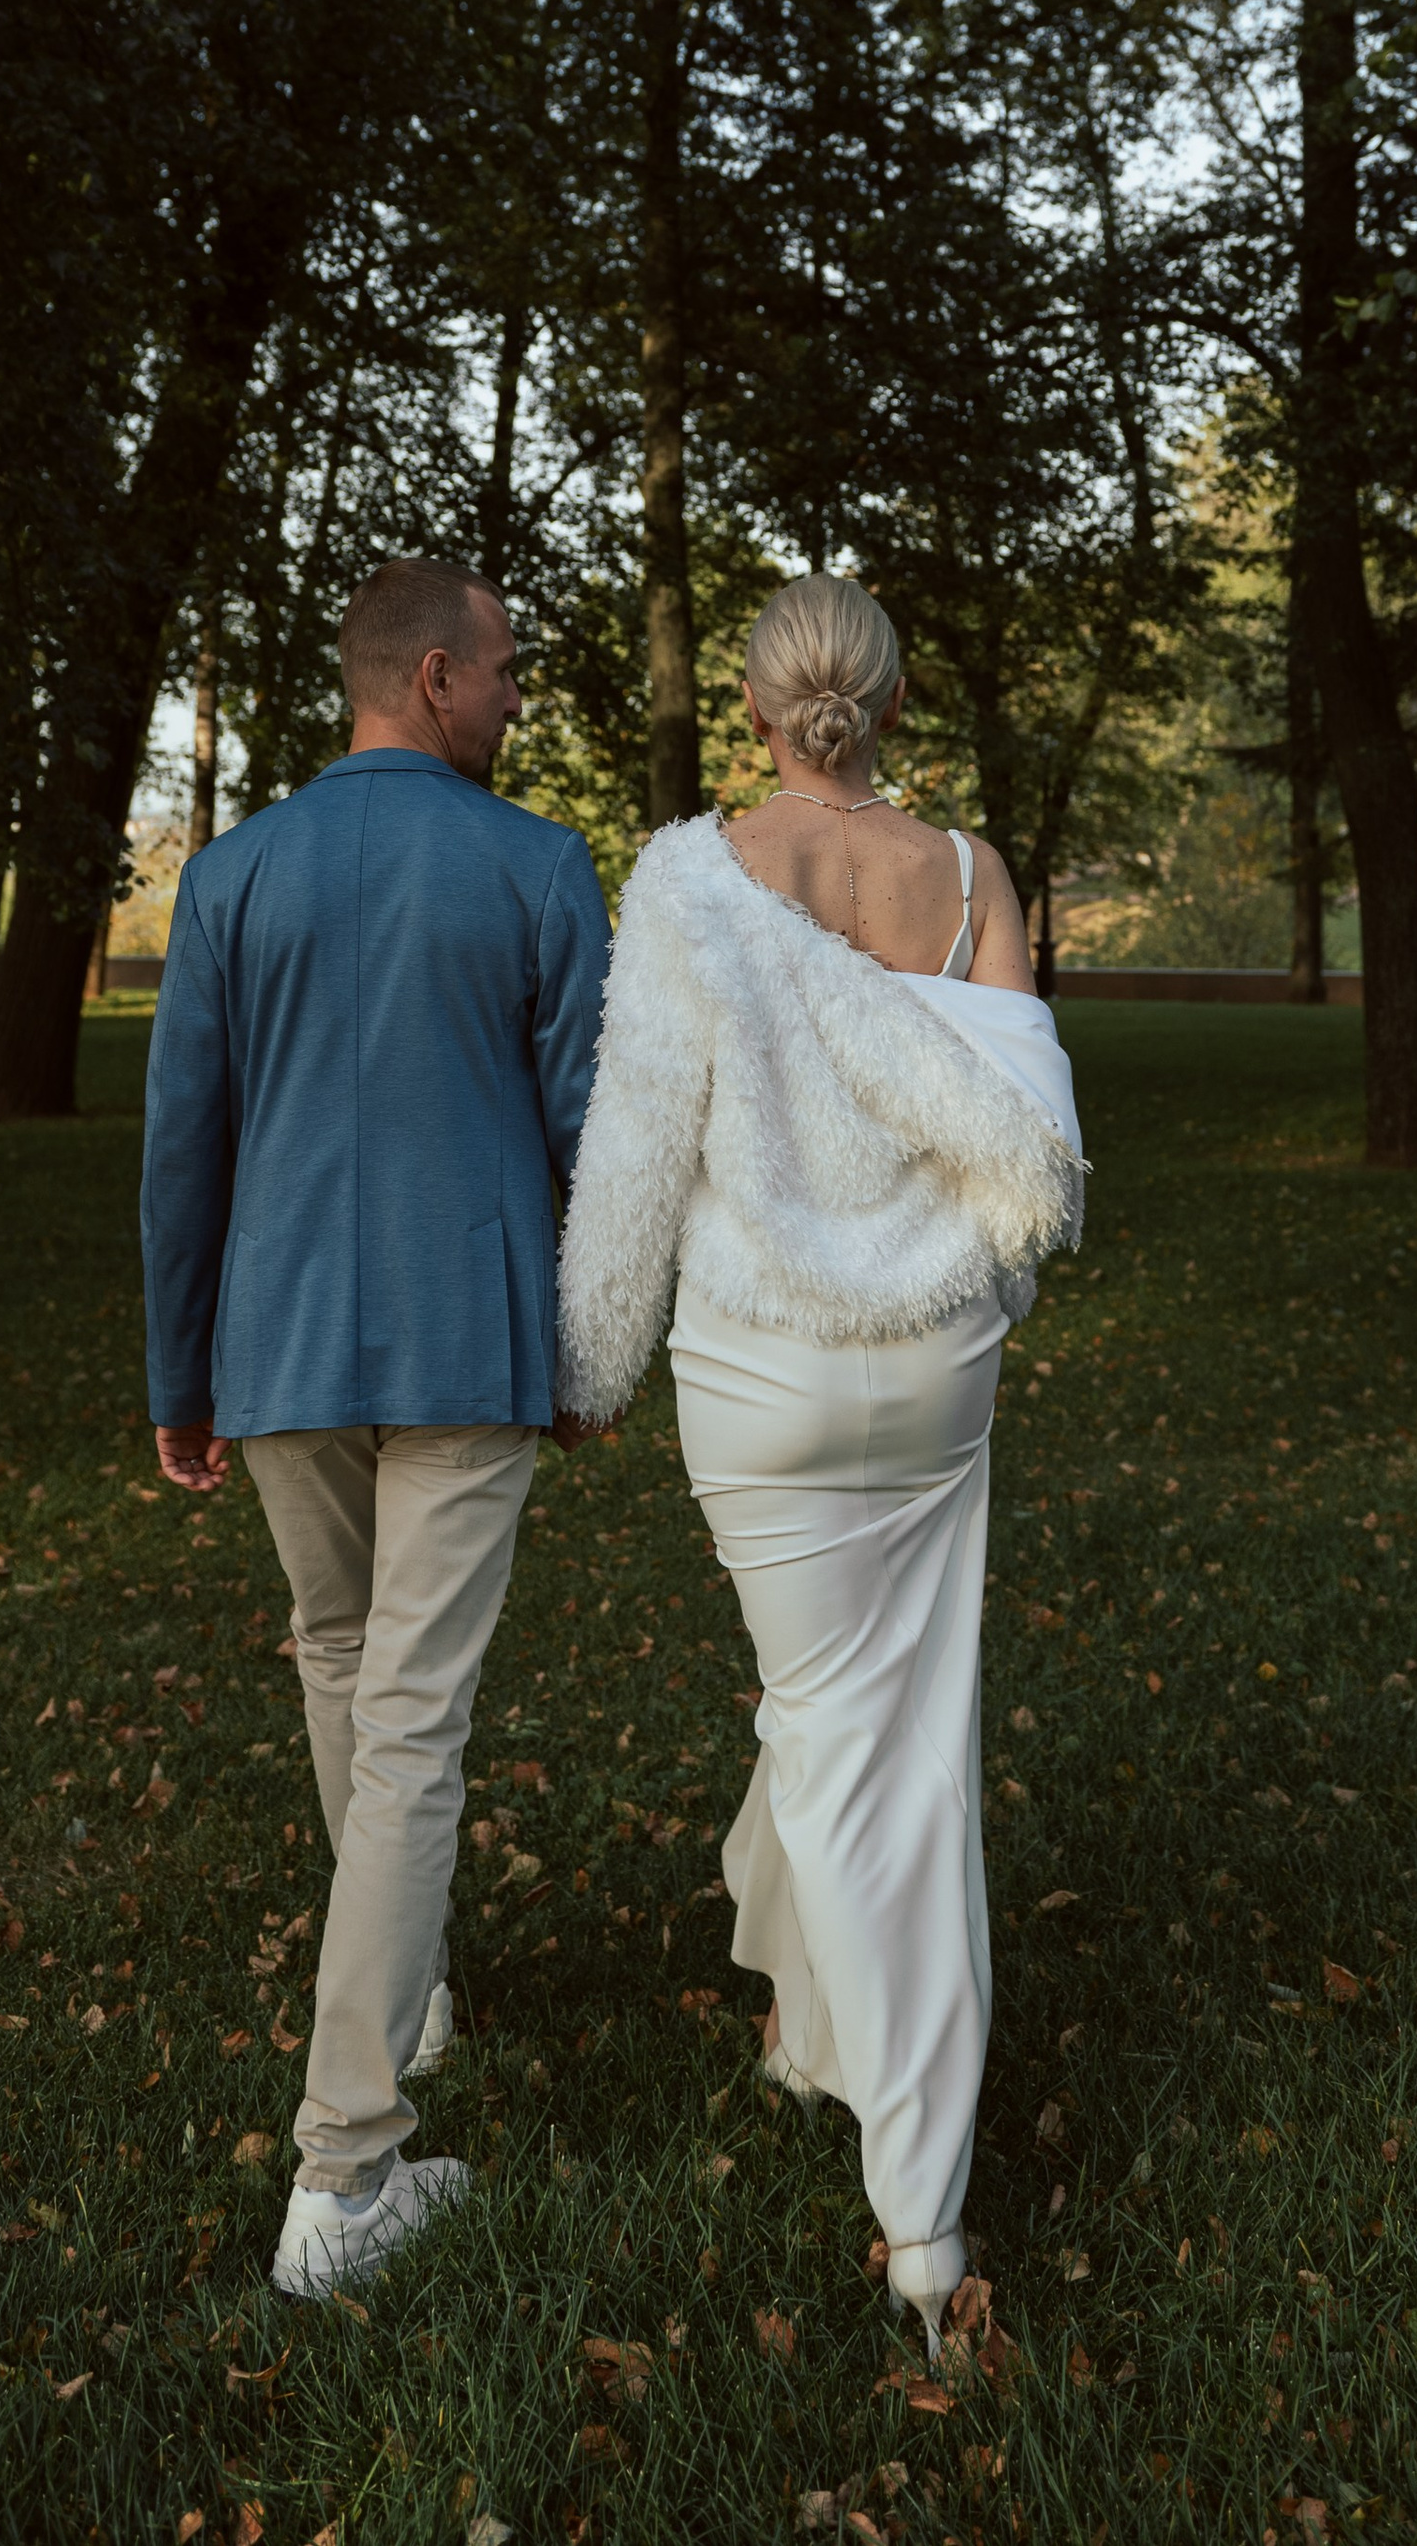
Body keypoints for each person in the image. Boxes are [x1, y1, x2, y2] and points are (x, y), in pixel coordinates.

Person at [555, 573, 1084, 2358]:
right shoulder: (975, 877)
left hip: (757, 1372)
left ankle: (923, 2219)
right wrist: (968, 1294)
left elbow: (639, 1143)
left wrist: (585, 1362)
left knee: (847, 1741)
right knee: (869, 1721)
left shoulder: (694, 873)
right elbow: (1037, 1155)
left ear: (760, 714)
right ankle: (801, 2030)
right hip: (935, 1368)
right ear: (895, 701)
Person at [141, 558, 610, 2304]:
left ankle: (406, 1994)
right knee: (407, 1717)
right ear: (430, 678)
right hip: (466, 1340)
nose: (514, 701)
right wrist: (589, 1347)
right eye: (501, 676)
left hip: (274, 1344)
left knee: (344, 1662)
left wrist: (180, 1371)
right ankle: (346, 2171)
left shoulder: (232, 871)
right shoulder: (538, 865)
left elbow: (183, 1143)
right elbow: (590, 1142)